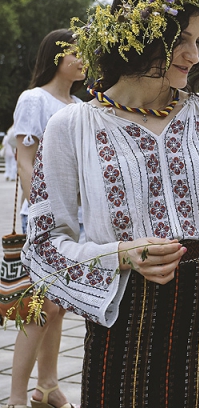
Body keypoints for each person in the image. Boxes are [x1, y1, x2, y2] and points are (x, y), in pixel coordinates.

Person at [21, 0, 199, 407]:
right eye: (181, 40)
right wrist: (119, 255)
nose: (193, 55)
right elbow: (44, 246)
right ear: (138, 33)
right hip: (130, 318)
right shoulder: (72, 126)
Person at [5, 29, 84, 408]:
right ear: (57, 56)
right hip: (43, 216)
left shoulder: (80, 104)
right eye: (76, 52)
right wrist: (43, 210)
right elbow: (25, 161)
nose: (83, 59)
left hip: (76, 218)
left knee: (59, 304)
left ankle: (47, 386)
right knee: (37, 306)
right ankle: (18, 397)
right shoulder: (34, 99)